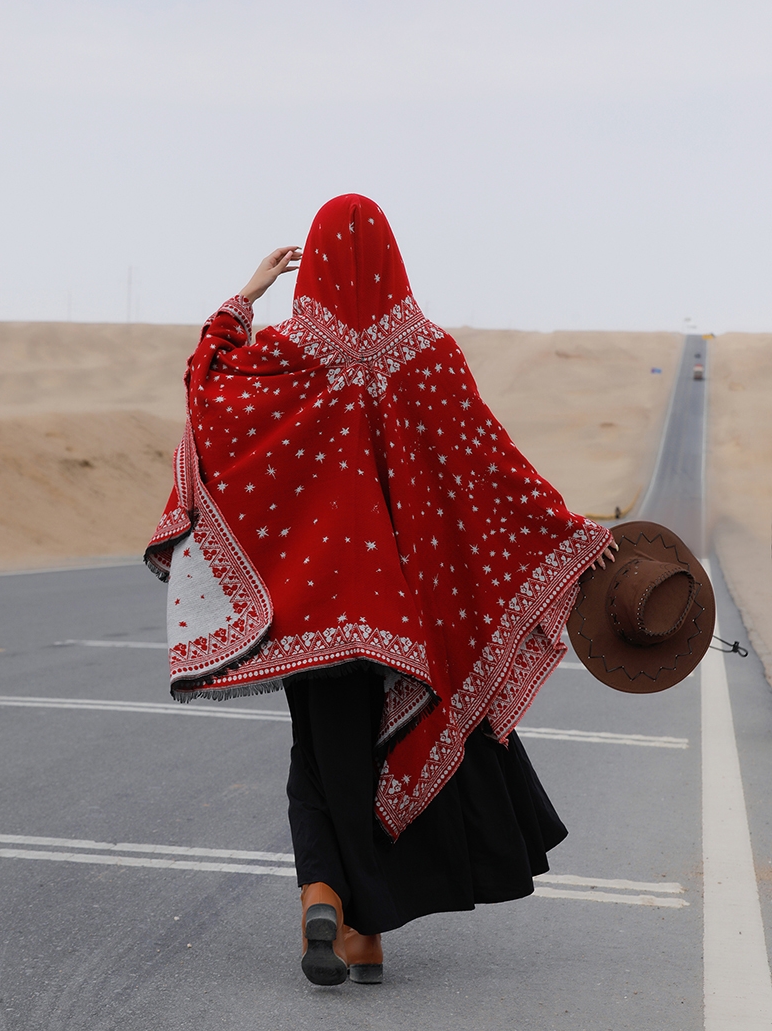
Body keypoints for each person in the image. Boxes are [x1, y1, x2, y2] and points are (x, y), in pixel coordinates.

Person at [146, 194, 616, 986]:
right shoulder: (430, 355)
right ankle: (359, 926)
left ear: (317, 264)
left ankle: (325, 896)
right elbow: (492, 467)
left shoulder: (291, 353)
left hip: (314, 614)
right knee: (382, 753)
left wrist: (244, 298)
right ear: (395, 259)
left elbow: (210, 387)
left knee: (318, 755)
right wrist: (570, 534)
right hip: (408, 618)